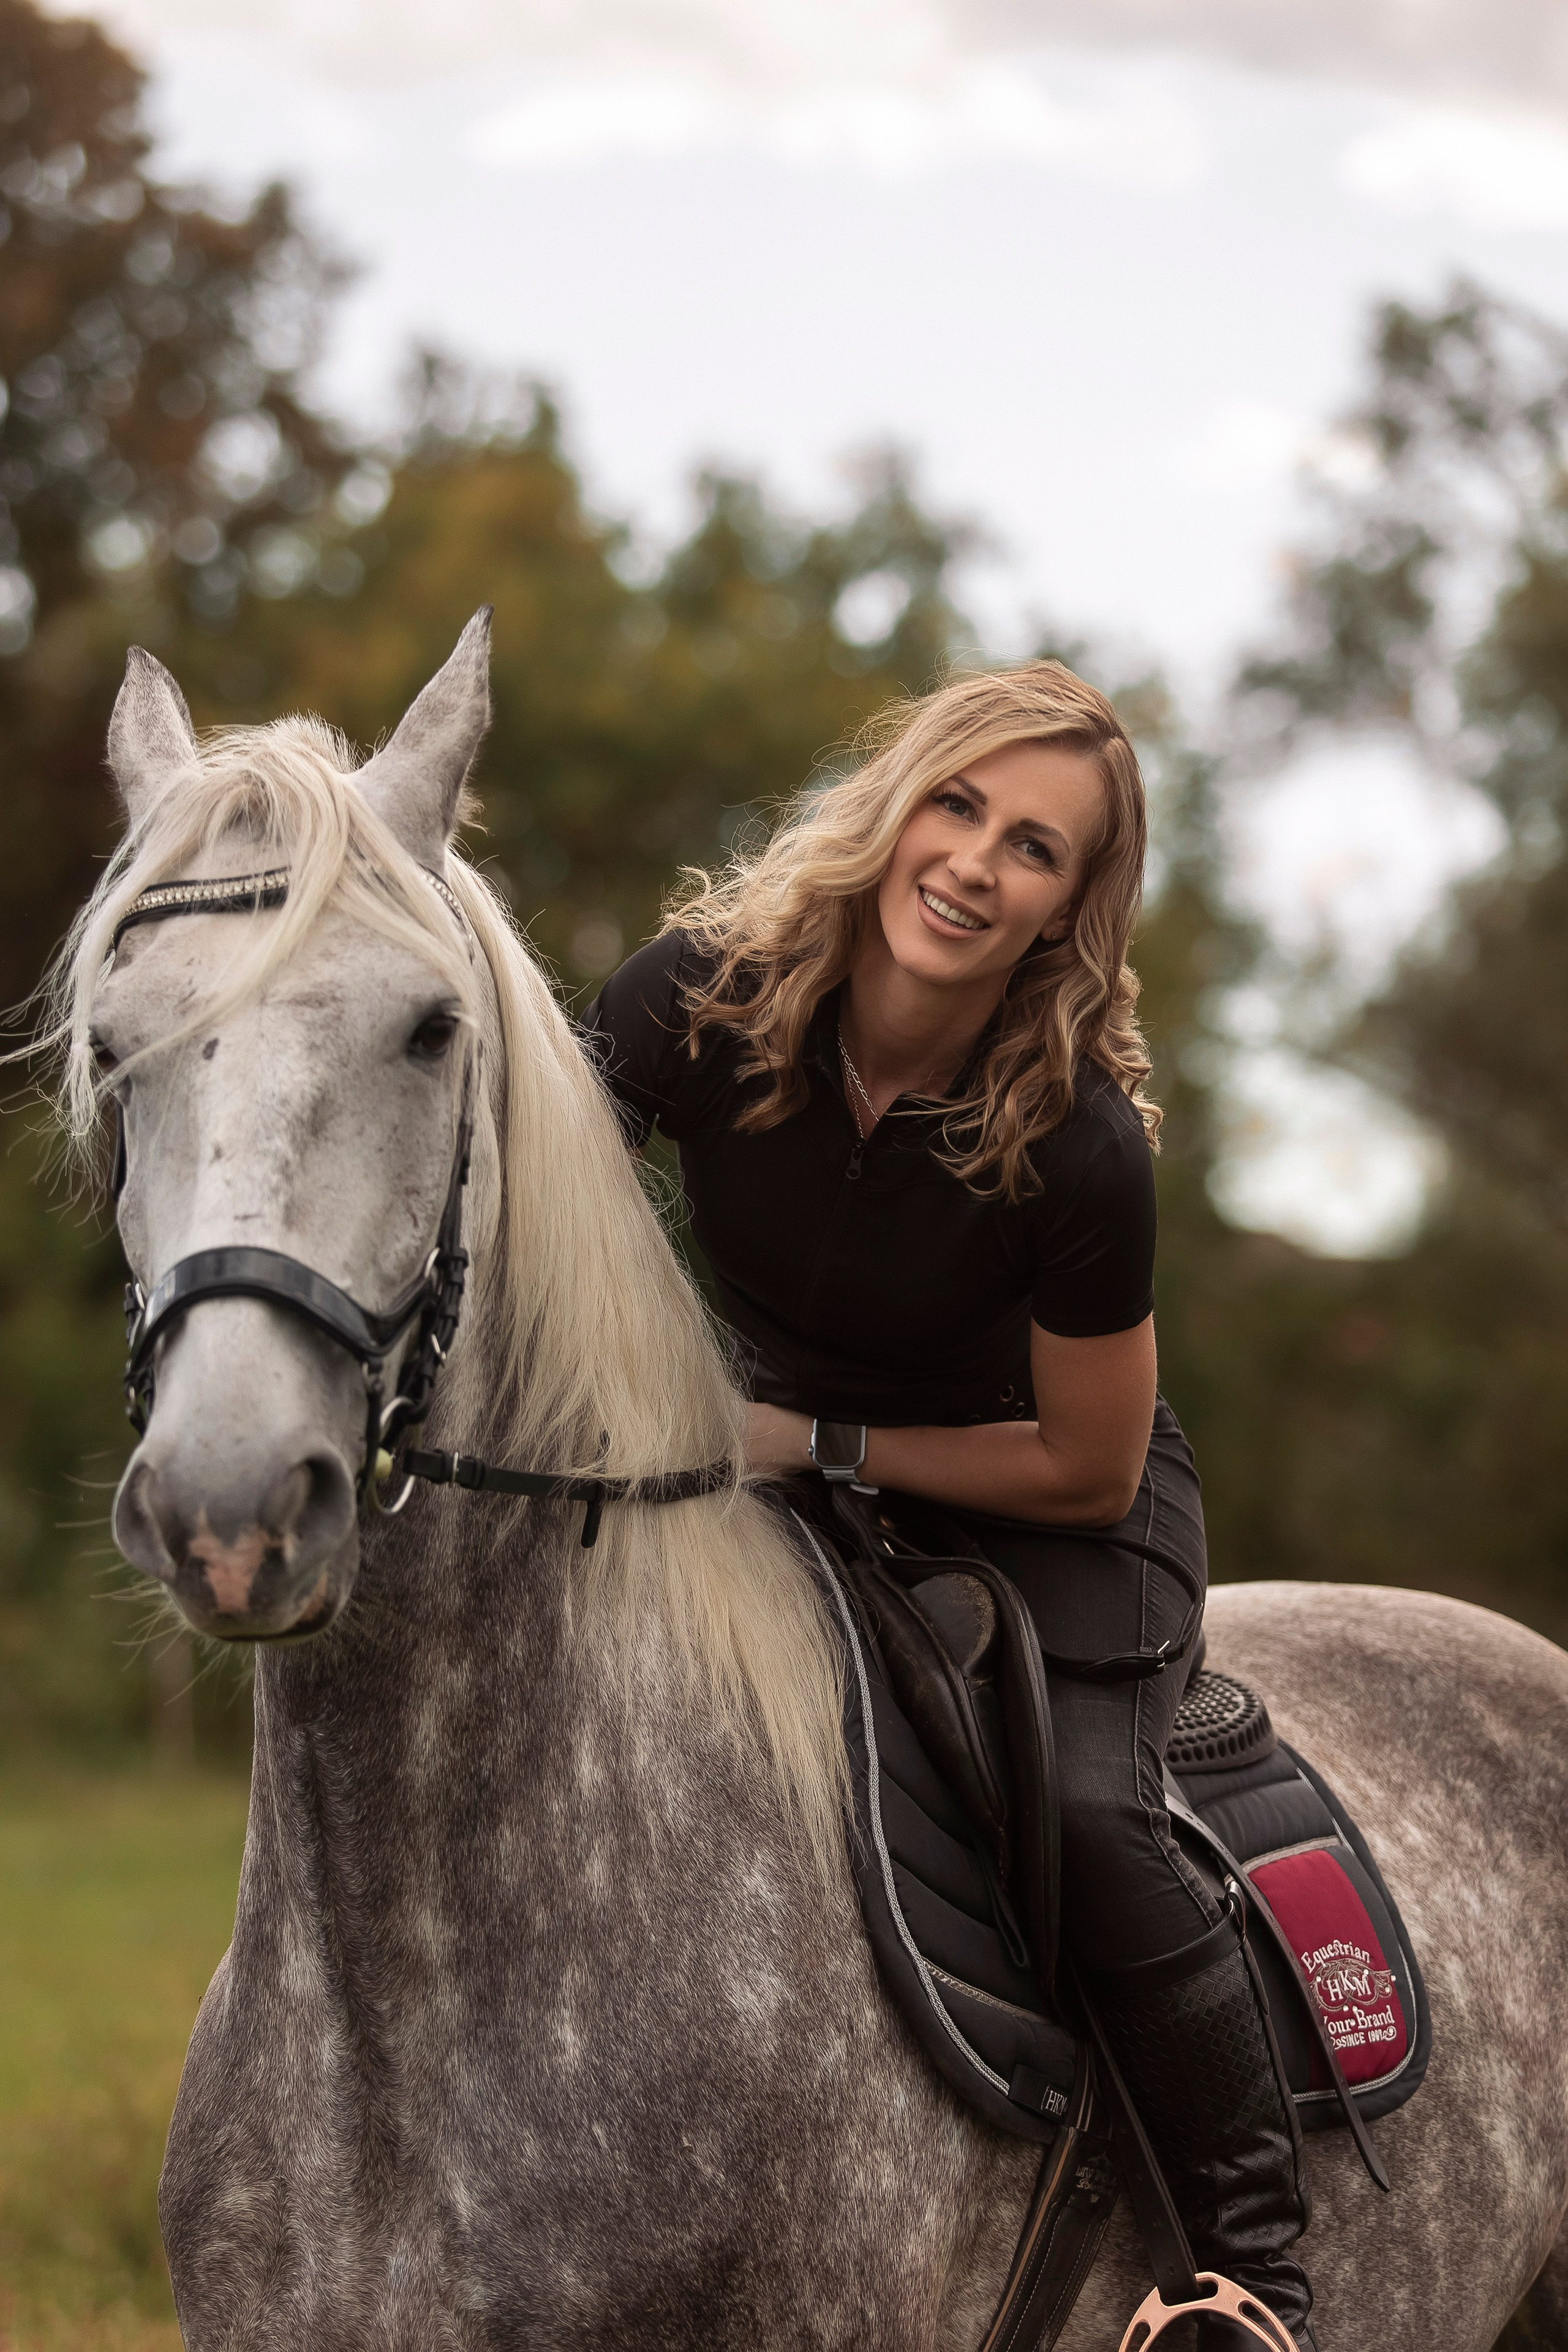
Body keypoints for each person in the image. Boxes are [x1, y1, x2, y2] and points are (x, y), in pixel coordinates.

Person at [581, 662, 1314, 2350]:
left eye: (1035, 848)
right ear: (896, 804)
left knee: (1093, 1817)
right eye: (960, 805)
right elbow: (524, 1198)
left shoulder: (1080, 1146)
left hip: (1048, 1509)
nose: (978, 863)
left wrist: (812, 1442)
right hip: (769, 1454)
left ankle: (1254, 2277)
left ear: (1071, 911)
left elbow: (1089, 1463)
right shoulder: (693, 996)